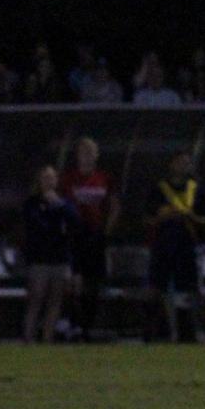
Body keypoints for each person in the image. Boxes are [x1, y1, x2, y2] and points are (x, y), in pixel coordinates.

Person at [59, 137, 120, 341]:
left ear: (96, 155)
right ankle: (73, 324)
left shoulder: (104, 178)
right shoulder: (68, 179)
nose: (87, 155)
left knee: (93, 283)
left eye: (91, 151)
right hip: (75, 236)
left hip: (95, 236)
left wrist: (106, 232)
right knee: (74, 282)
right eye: (83, 151)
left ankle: (87, 326)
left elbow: (114, 205)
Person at [147, 150, 205, 342]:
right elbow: (148, 218)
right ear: (171, 164)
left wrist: (189, 216)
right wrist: (165, 215)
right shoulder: (159, 189)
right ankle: (155, 332)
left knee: (186, 290)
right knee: (157, 288)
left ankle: (186, 332)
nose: (184, 166)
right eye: (180, 162)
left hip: (187, 246)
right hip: (163, 245)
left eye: (187, 163)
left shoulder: (196, 189)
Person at [18, 164, 78, 344]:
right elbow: (38, 227)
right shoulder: (32, 203)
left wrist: (58, 206)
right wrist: (55, 215)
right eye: (45, 178)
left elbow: (74, 221)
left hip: (60, 259)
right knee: (36, 299)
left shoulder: (64, 202)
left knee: (55, 301)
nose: (49, 181)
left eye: (52, 177)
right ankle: (28, 338)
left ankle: (47, 339)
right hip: (40, 260)